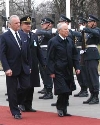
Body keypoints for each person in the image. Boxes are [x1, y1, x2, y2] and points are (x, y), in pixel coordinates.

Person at [0, 15, 32, 119]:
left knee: (26, 86)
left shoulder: (23, 35)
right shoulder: (4, 36)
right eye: (16, 23)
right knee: (12, 90)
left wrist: (29, 65)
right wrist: (6, 68)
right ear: (10, 24)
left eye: (19, 23)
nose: (19, 25)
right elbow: (2, 54)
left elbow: (28, 52)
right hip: (12, 67)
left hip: (24, 66)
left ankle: (17, 102)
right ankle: (15, 111)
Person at [47, 23, 80, 117]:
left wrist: (77, 67)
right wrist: (51, 71)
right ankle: (60, 108)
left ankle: (64, 109)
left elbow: (75, 55)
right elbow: (50, 57)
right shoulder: (53, 41)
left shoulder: (69, 41)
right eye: (65, 29)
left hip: (68, 70)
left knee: (68, 90)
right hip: (58, 70)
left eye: (68, 29)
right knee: (62, 90)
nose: (67, 31)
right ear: (59, 31)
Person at [18, 16, 46, 112]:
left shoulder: (33, 36)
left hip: (33, 64)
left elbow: (38, 50)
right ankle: (21, 103)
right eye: (26, 24)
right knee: (24, 86)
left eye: (29, 24)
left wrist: (43, 63)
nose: (29, 25)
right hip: (23, 64)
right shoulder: (18, 35)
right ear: (21, 25)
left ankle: (28, 105)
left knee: (31, 85)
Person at [81, 15, 100, 104]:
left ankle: (96, 96)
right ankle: (92, 94)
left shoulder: (97, 30)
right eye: (88, 22)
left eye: (90, 22)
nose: (88, 23)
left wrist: (85, 29)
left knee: (93, 75)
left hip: (93, 54)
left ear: (94, 23)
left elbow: (97, 34)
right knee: (88, 76)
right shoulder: (88, 32)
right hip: (87, 55)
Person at [35, 18, 54, 99]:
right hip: (42, 55)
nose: (42, 25)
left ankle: (49, 91)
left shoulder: (52, 31)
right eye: (42, 24)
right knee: (43, 73)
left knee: (47, 73)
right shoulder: (43, 33)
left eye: (44, 24)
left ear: (49, 24)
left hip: (47, 55)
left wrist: (37, 31)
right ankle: (46, 87)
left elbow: (48, 34)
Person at [74, 18, 89, 97]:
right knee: (78, 72)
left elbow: (83, 37)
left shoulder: (86, 31)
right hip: (78, 52)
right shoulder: (80, 31)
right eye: (79, 24)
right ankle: (82, 88)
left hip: (82, 53)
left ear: (85, 24)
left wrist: (74, 32)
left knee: (82, 71)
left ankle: (85, 89)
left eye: (82, 24)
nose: (80, 25)